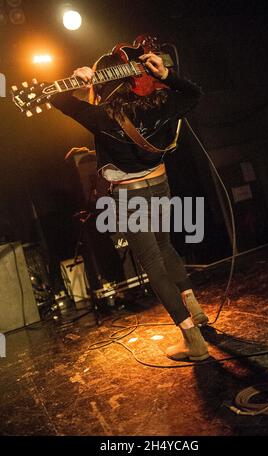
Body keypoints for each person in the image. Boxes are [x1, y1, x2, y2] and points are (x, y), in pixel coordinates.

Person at [51, 45, 209, 361]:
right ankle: (196, 311)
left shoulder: (102, 116)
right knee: (166, 248)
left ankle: (194, 340)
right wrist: (167, 75)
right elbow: (195, 93)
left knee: (152, 263)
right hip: (160, 185)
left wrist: (82, 84)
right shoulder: (164, 102)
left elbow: (56, 97)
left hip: (130, 195)